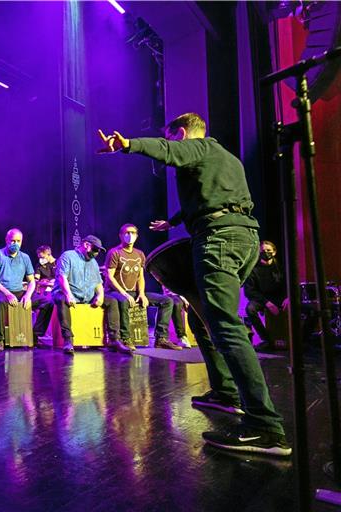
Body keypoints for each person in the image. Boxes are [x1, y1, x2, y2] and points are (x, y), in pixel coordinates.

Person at [98, 112, 291, 456]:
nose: (172, 145)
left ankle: (265, 426)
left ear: (182, 133)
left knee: (225, 326)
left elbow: (169, 152)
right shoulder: (227, 159)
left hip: (219, 241)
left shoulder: (197, 147)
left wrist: (128, 145)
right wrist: (172, 222)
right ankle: (225, 391)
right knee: (205, 319)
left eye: (173, 138)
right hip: (242, 238)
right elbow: (213, 198)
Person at [103, 223, 176, 351]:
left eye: (132, 233)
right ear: (120, 235)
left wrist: (141, 293)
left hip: (134, 292)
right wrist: (123, 293)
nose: (129, 235)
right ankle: (125, 338)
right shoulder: (114, 253)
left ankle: (161, 338)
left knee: (167, 301)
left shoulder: (140, 254)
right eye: (126, 233)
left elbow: (140, 276)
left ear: (137, 236)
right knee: (124, 301)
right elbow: (110, 277)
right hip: (114, 292)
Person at [0, 228, 53, 349]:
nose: (15, 244)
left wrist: (28, 296)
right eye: (13, 241)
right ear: (7, 240)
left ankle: (35, 335)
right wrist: (7, 293)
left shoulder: (25, 257)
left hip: (19, 291)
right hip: (1, 291)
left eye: (18, 241)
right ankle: (0, 339)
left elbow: (32, 281)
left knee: (47, 303)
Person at [52, 235, 113, 354]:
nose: (97, 253)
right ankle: (68, 339)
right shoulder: (68, 256)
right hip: (68, 293)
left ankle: (114, 339)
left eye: (99, 251)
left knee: (112, 301)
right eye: (95, 249)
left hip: (86, 296)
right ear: (86, 245)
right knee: (62, 299)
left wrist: (100, 295)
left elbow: (98, 283)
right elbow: (62, 277)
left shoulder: (93, 262)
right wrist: (69, 294)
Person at [244, 240, 287, 351]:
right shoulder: (253, 269)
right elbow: (249, 291)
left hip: (280, 298)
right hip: (262, 299)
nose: (266, 252)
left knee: (311, 310)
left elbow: (289, 284)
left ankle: (301, 340)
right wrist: (267, 303)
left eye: (269, 250)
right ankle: (267, 340)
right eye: (263, 250)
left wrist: (288, 297)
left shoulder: (282, 267)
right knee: (250, 309)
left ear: (274, 252)